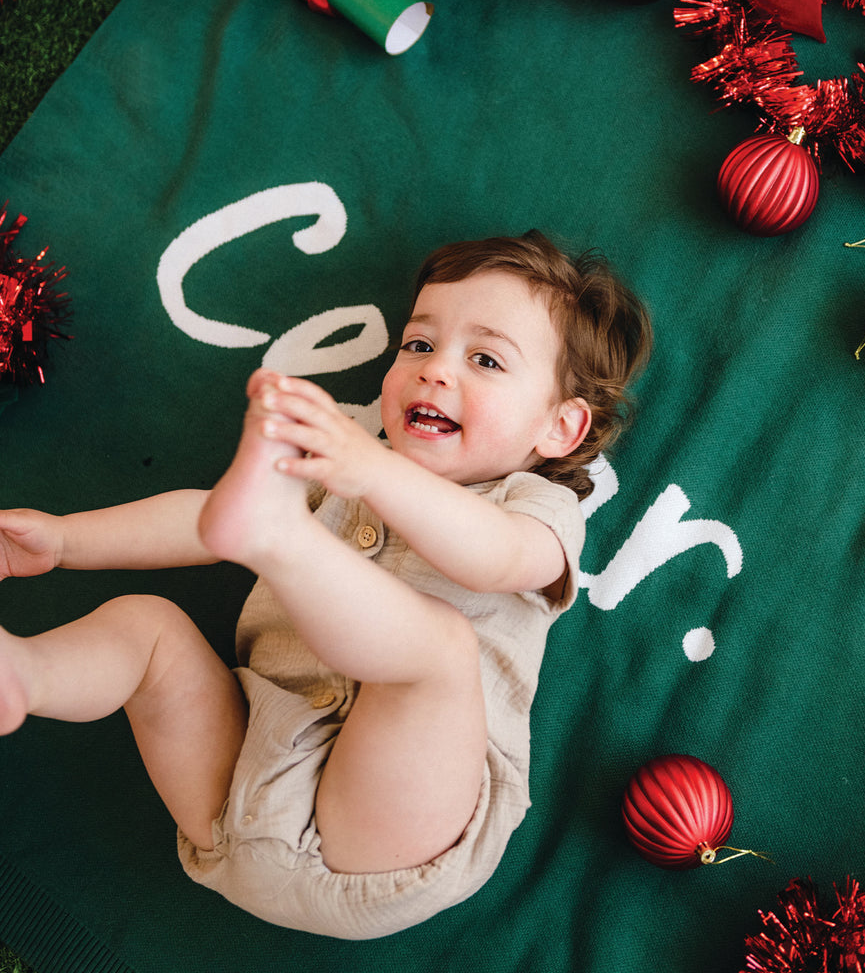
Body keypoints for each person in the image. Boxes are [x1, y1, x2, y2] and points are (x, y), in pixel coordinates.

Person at [0, 230, 652, 939]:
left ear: (559, 427)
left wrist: (371, 472)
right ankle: (26, 674)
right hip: (239, 785)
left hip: (390, 836)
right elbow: (205, 520)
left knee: (441, 649)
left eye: (486, 359)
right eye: (419, 344)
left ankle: (280, 539)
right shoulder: (346, 456)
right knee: (145, 626)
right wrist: (65, 541)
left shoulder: (533, 506)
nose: (434, 371)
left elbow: (497, 559)